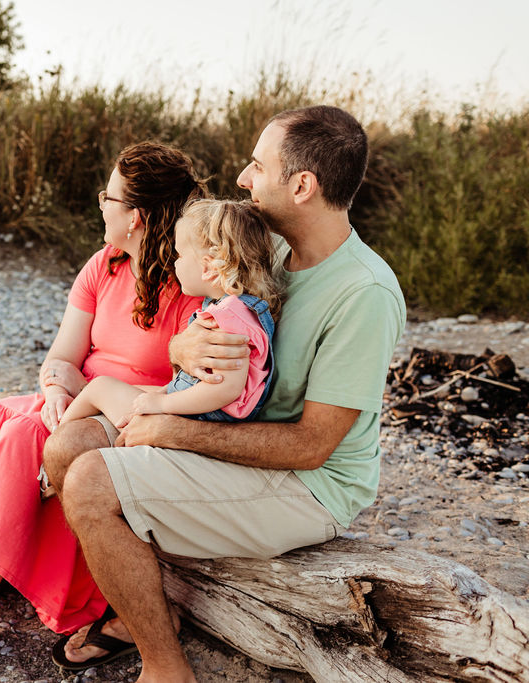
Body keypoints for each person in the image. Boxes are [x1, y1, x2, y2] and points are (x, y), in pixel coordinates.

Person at [43, 105, 406, 682]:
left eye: (257, 166)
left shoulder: (363, 293)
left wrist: (171, 429)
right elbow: (209, 327)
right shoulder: (273, 252)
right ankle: (136, 601)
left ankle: (166, 669)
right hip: (231, 430)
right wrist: (180, 350)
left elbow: (313, 446)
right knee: (69, 447)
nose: (242, 178)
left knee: (90, 481)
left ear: (303, 185)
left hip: (309, 485)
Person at [0, 141, 209, 675]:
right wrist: (58, 389)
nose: (99, 205)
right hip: (78, 397)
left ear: (134, 216)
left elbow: (181, 395)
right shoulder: (103, 265)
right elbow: (63, 354)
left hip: (129, 415)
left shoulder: (193, 283)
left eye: (106, 197)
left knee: (22, 439)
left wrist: (89, 403)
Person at [59, 199, 283, 428]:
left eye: (179, 256)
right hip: (194, 405)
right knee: (113, 389)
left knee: (99, 388)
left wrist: (162, 404)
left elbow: (227, 388)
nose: (174, 264)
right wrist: (162, 394)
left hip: (197, 416)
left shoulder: (228, 318)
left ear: (208, 268)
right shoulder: (241, 310)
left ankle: (56, 434)